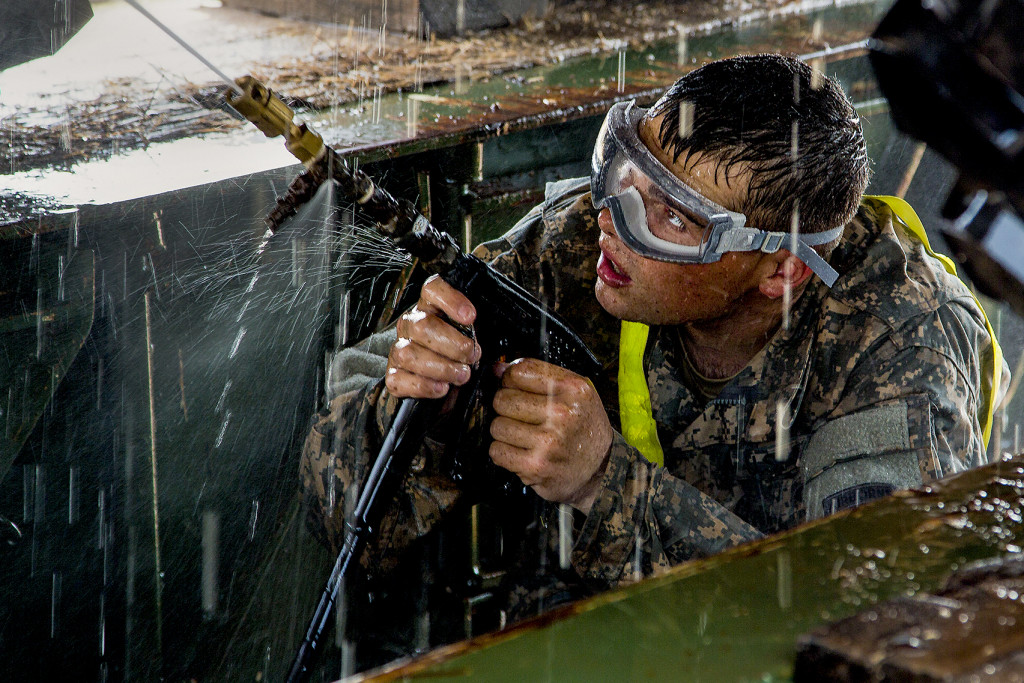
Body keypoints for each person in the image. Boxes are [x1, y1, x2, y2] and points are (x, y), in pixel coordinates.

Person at [300, 53, 1006, 649]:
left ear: (780, 271)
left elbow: (877, 631)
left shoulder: (893, 335)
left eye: (670, 214)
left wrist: (604, 482)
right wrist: (419, 410)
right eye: (626, 166)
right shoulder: (573, 246)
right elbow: (341, 510)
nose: (614, 217)